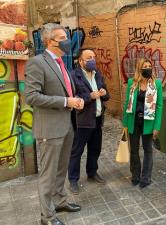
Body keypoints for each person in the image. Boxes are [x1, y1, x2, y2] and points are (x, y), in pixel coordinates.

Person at [25, 23, 83, 225]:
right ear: (50, 41)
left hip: (66, 125)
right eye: (63, 38)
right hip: (49, 128)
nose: (67, 41)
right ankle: (47, 216)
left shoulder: (61, 62)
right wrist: (66, 102)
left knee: (61, 168)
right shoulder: (37, 63)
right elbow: (31, 97)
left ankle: (59, 201)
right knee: (48, 173)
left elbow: (64, 91)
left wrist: (74, 99)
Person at [68, 48, 110, 194]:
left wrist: (104, 93)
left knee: (95, 148)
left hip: (98, 119)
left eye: (93, 57)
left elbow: (106, 93)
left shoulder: (97, 73)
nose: (92, 60)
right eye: (88, 58)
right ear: (80, 61)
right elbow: (72, 98)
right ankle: (73, 179)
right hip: (83, 121)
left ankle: (92, 173)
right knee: (77, 151)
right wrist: (89, 97)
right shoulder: (73, 76)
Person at [123, 58, 163, 188]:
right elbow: (126, 104)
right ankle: (135, 174)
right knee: (134, 150)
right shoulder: (132, 83)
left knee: (148, 150)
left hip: (149, 122)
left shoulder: (156, 84)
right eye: (145, 66)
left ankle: (146, 177)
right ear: (139, 69)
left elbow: (159, 106)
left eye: (149, 66)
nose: (147, 68)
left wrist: (157, 126)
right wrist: (125, 124)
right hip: (133, 121)